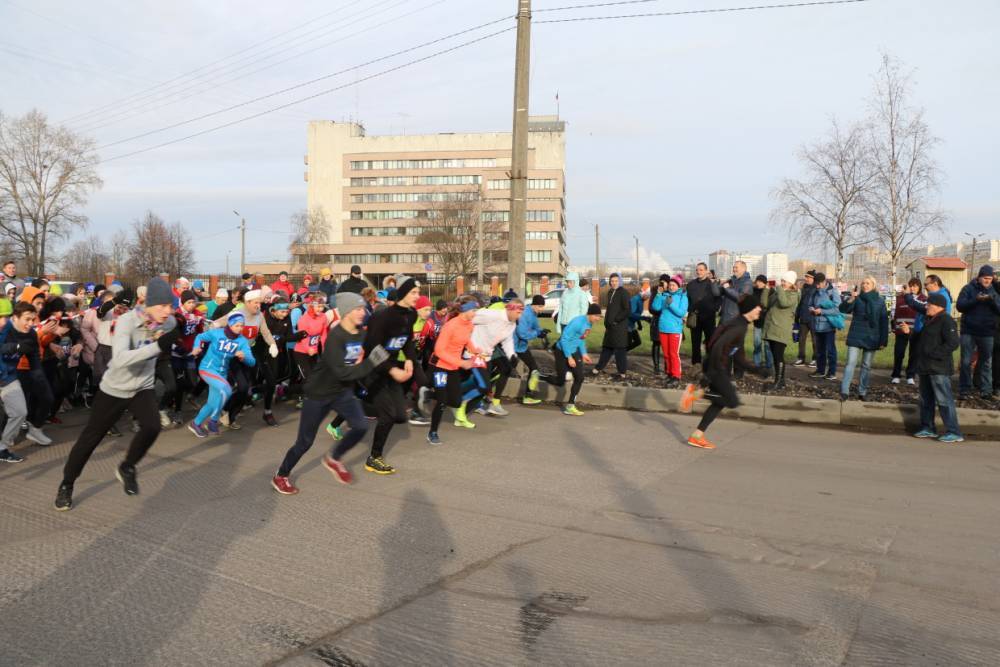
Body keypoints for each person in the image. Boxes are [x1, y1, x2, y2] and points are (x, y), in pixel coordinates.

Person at [55, 278, 180, 511]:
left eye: (171, 305)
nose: (168, 311)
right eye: (162, 305)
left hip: (141, 387)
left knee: (152, 426)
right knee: (90, 439)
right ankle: (67, 484)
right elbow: (120, 359)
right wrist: (157, 347)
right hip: (114, 388)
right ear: (148, 303)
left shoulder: (169, 322)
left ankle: (127, 467)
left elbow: (181, 329)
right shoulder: (127, 322)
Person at [272, 292, 390, 493]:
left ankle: (333, 458)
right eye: (358, 309)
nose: (363, 312)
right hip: (319, 393)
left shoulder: (361, 332)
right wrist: (371, 362)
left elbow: (371, 345)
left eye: (364, 308)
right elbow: (343, 372)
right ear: (346, 312)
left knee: (361, 425)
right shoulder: (336, 337)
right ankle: (281, 475)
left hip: (342, 392)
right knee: (305, 442)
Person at [679, 294, 767, 449]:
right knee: (732, 401)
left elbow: (738, 356)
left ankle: (696, 436)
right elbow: (719, 346)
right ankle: (695, 393)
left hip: (718, 366)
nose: (760, 309)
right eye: (757, 306)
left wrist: (758, 370)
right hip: (717, 367)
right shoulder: (738, 326)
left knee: (718, 402)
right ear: (750, 309)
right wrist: (712, 373)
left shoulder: (742, 324)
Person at [357, 276, 421, 475]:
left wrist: (410, 359)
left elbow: (408, 339)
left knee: (400, 416)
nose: (417, 297)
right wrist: (393, 370)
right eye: (414, 293)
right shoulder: (382, 316)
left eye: (418, 293)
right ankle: (374, 458)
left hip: (391, 366)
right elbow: (371, 347)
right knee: (388, 415)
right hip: (374, 369)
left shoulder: (412, 314)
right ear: (402, 293)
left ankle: (356, 402)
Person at [904, 292, 963, 443]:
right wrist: (909, 332)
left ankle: (953, 431)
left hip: (939, 368)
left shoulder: (946, 320)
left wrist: (934, 354)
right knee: (926, 400)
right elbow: (921, 339)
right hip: (924, 367)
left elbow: (953, 343)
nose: (926, 307)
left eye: (929, 304)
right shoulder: (929, 319)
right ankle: (928, 427)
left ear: (938, 306)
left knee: (944, 400)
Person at [188, 312, 256, 437]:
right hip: (207, 368)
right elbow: (200, 337)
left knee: (212, 403)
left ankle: (196, 423)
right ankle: (213, 421)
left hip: (222, 373)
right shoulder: (216, 333)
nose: (240, 328)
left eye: (242, 326)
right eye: (237, 325)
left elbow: (252, 362)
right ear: (230, 325)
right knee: (227, 390)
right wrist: (196, 347)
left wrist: (244, 357)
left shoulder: (242, 341)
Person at [426, 296, 482, 445]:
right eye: (474, 310)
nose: (475, 313)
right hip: (439, 366)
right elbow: (438, 350)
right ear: (465, 310)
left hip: (453, 367)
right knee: (442, 402)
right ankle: (432, 432)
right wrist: (461, 363)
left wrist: (474, 350)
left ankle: (428, 393)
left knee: (456, 402)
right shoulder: (450, 325)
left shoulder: (469, 324)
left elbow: (466, 340)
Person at [542, 303, 603, 416]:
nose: (598, 319)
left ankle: (570, 405)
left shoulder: (589, 323)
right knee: (560, 382)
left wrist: (584, 353)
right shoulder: (577, 322)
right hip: (562, 351)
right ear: (590, 314)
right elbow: (564, 340)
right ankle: (539, 376)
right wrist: (569, 357)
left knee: (579, 377)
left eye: (599, 316)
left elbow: (581, 339)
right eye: (597, 316)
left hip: (574, 350)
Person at [838, 276, 889, 401]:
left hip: (872, 337)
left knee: (866, 365)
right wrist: (851, 298)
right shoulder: (857, 298)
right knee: (850, 363)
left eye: (868, 283)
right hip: (856, 335)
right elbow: (843, 309)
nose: (865, 285)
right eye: (863, 283)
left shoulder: (880, 301)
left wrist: (883, 340)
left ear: (873, 285)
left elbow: (884, 321)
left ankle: (862, 391)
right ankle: (844, 391)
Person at [955, 265, 999, 400]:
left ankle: (986, 390)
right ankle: (965, 390)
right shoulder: (968, 289)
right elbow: (960, 306)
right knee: (966, 361)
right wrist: (976, 300)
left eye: (990, 278)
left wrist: (991, 301)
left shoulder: (994, 292)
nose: (987, 281)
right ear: (979, 277)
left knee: (987, 362)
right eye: (985, 278)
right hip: (969, 331)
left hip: (987, 332)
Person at [0, 302, 37, 463]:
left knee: (20, 411)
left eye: (7, 316)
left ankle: (2, 447)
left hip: (8, 378)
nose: (4, 320)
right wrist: (15, 346)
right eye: (1, 316)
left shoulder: (25, 331)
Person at [761, 271, 799, 391]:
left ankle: (778, 382)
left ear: (791, 283)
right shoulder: (780, 292)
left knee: (778, 356)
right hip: (772, 328)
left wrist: (778, 288)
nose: (782, 283)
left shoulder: (793, 294)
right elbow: (765, 304)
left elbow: (783, 303)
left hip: (781, 329)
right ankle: (780, 382)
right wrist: (767, 290)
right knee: (775, 355)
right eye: (781, 280)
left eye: (784, 281)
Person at [651, 275, 688, 388]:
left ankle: (676, 376)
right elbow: (655, 307)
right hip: (663, 328)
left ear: (678, 286)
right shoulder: (664, 295)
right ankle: (670, 374)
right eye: (670, 285)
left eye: (674, 285)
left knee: (673, 354)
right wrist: (658, 294)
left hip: (675, 330)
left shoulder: (683, 297)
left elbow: (681, 313)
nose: (671, 287)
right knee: (666, 354)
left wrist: (670, 304)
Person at [593, 272, 630, 379]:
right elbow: (610, 309)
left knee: (620, 350)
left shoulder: (623, 293)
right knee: (607, 348)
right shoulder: (610, 292)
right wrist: (606, 322)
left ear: (620, 281)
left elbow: (627, 310)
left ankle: (622, 373)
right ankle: (597, 368)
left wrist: (616, 320)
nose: (614, 283)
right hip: (610, 327)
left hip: (619, 327)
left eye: (616, 281)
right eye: (612, 281)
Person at [807, 272, 842, 381]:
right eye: (815, 284)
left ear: (824, 282)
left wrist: (821, 311)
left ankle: (832, 372)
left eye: (818, 284)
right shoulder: (814, 292)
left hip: (828, 327)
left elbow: (837, 310)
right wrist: (811, 309)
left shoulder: (832, 292)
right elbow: (809, 304)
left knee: (830, 350)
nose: (817, 286)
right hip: (817, 326)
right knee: (819, 350)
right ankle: (820, 370)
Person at [513, 294, 547, 405]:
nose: (542, 310)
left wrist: (542, 332)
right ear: (535, 305)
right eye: (541, 307)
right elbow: (522, 333)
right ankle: (484, 391)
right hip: (513, 347)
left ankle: (528, 396)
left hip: (521, 347)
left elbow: (536, 327)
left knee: (534, 369)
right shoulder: (524, 314)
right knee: (502, 372)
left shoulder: (533, 314)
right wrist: (537, 333)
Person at [685, 262, 720, 365]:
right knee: (695, 343)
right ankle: (696, 364)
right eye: (697, 270)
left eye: (701, 270)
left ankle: (709, 364)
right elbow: (687, 300)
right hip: (695, 317)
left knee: (710, 342)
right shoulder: (691, 285)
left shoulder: (712, 284)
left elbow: (718, 298)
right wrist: (689, 310)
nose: (698, 272)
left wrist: (714, 308)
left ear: (706, 271)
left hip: (709, 318)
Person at [890, 278, 922, 385]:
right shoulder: (900, 298)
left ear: (919, 287)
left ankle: (910, 375)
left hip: (916, 332)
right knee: (899, 353)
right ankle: (896, 375)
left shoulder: (923, 298)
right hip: (901, 330)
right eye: (911, 286)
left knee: (915, 354)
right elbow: (896, 314)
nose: (913, 288)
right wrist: (895, 327)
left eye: (915, 286)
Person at [793, 270, 818, 366]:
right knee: (801, 339)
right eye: (806, 277)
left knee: (815, 340)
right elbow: (801, 303)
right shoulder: (804, 288)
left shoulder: (816, 288)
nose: (806, 279)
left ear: (813, 278)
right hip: (803, 318)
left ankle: (815, 359)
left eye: (808, 277)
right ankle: (801, 358)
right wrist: (797, 315)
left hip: (813, 318)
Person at [719, 261, 752, 325]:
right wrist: (717, 283)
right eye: (733, 267)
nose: (734, 269)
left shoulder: (747, 283)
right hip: (725, 317)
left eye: (736, 267)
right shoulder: (731, 280)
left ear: (744, 269)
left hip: (736, 319)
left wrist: (727, 288)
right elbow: (718, 293)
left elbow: (740, 298)